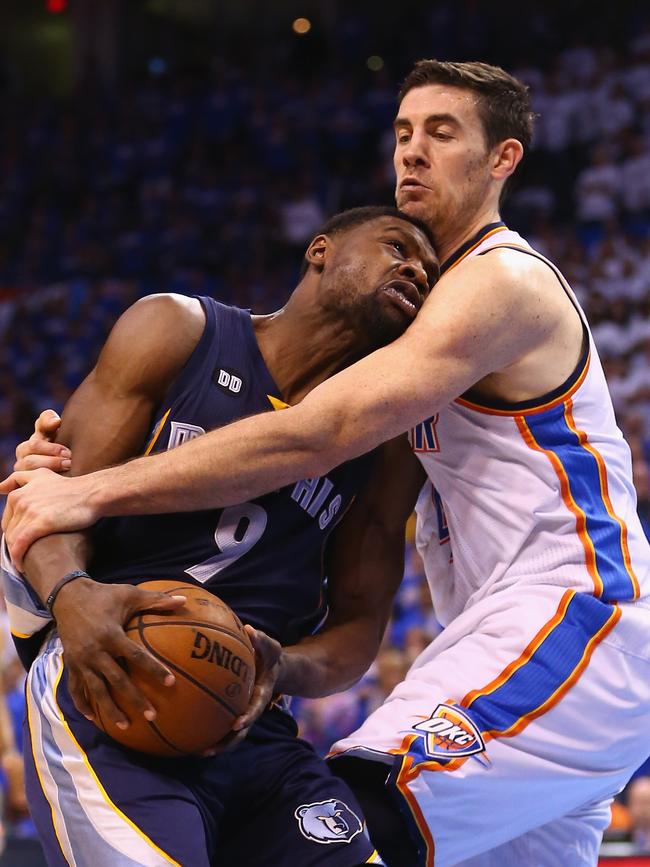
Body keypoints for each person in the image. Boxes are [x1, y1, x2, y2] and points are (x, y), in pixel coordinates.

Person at [4, 59, 650, 867]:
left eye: (442, 134)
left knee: (343, 816)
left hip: (575, 618)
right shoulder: (359, 338)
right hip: (495, 634)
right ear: (317, 251)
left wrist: (81, 493)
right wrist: (58, 511)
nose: (412, 152)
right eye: (403, 133)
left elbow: (319, 430)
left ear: (503, 160)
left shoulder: (503, 279)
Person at [0, 205, 439, 867]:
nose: (414, 269)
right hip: (107, 678)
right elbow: (48, 502)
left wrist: (280, 664)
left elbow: (357, 629)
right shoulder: (178, 330)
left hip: (250, 722)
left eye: (429, 274)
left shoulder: (386, 448)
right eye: (396, 246)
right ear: (320, 250)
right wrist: (72, 596)